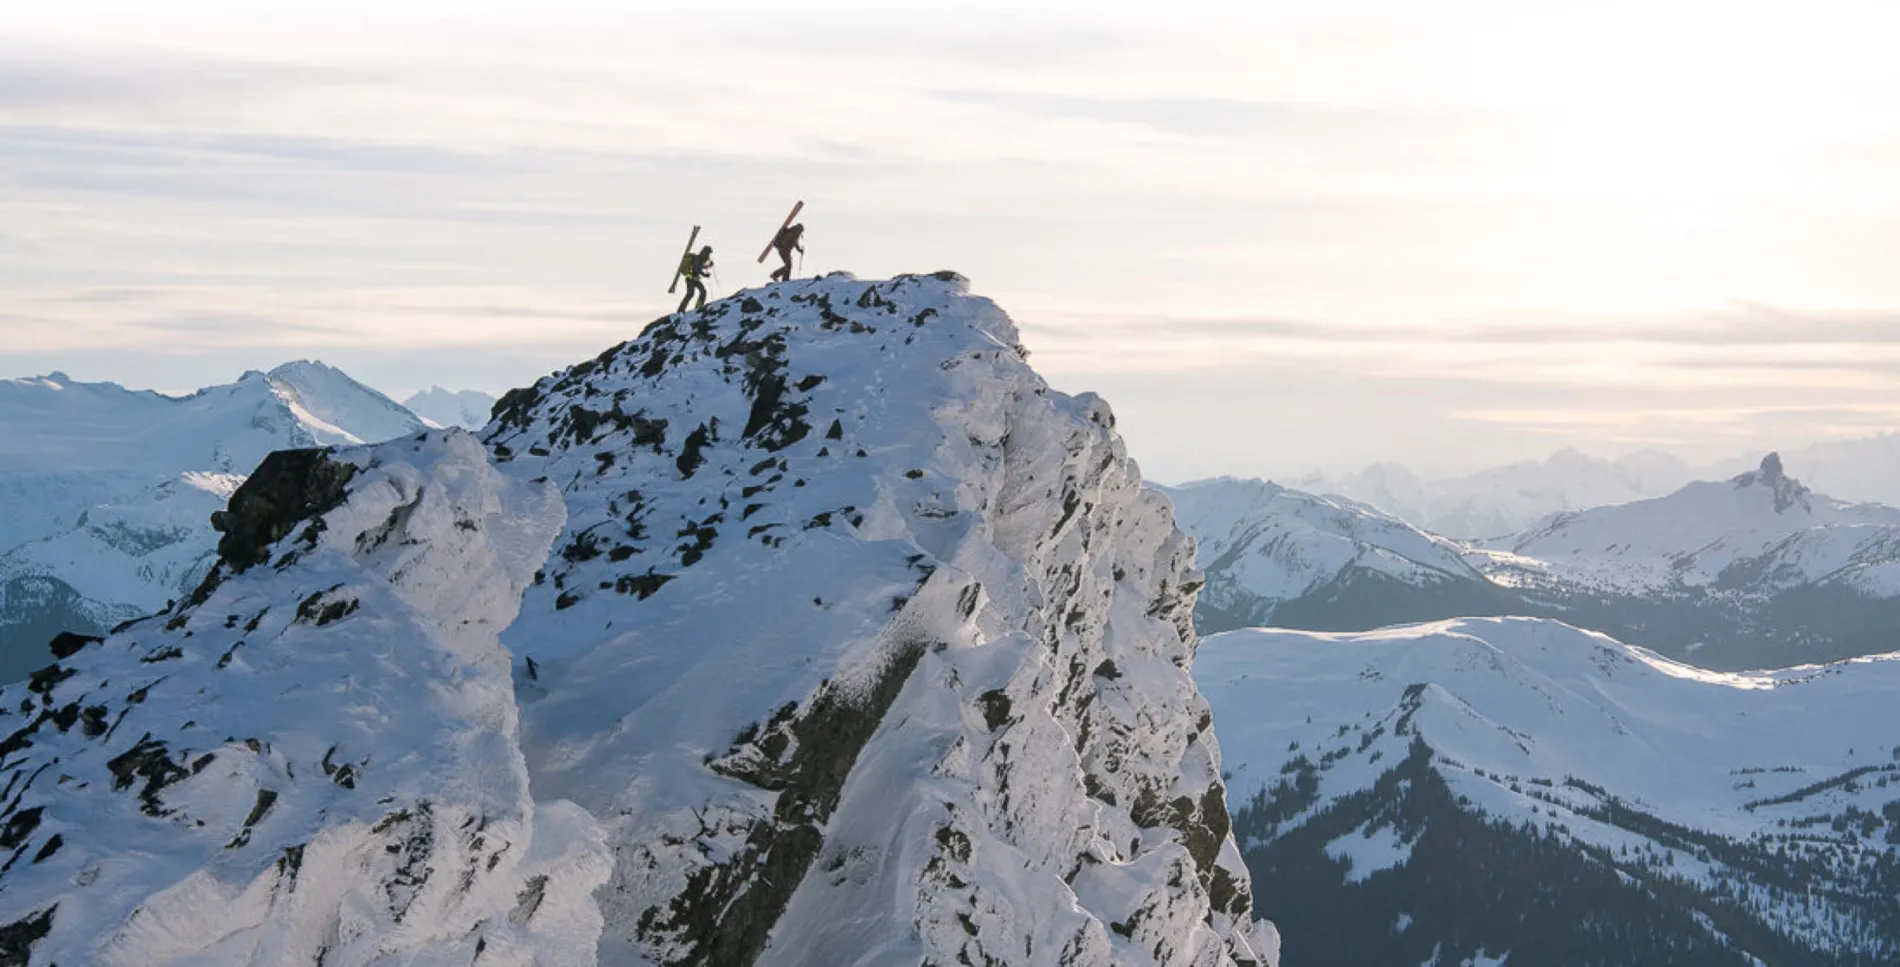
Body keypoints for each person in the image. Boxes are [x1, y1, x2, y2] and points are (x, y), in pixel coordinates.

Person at [678, 245, 713, 312]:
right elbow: (697, 269)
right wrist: (705, 275)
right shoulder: (698, 258)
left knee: (699, 292)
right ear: (705, 252)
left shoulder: (700, 258)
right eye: (708, 253)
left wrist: (707, 266)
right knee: (691, 294)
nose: (709, 255)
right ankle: (682, 310)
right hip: (691, 279)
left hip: (694, 279)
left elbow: (699, 267)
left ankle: (697, 308)